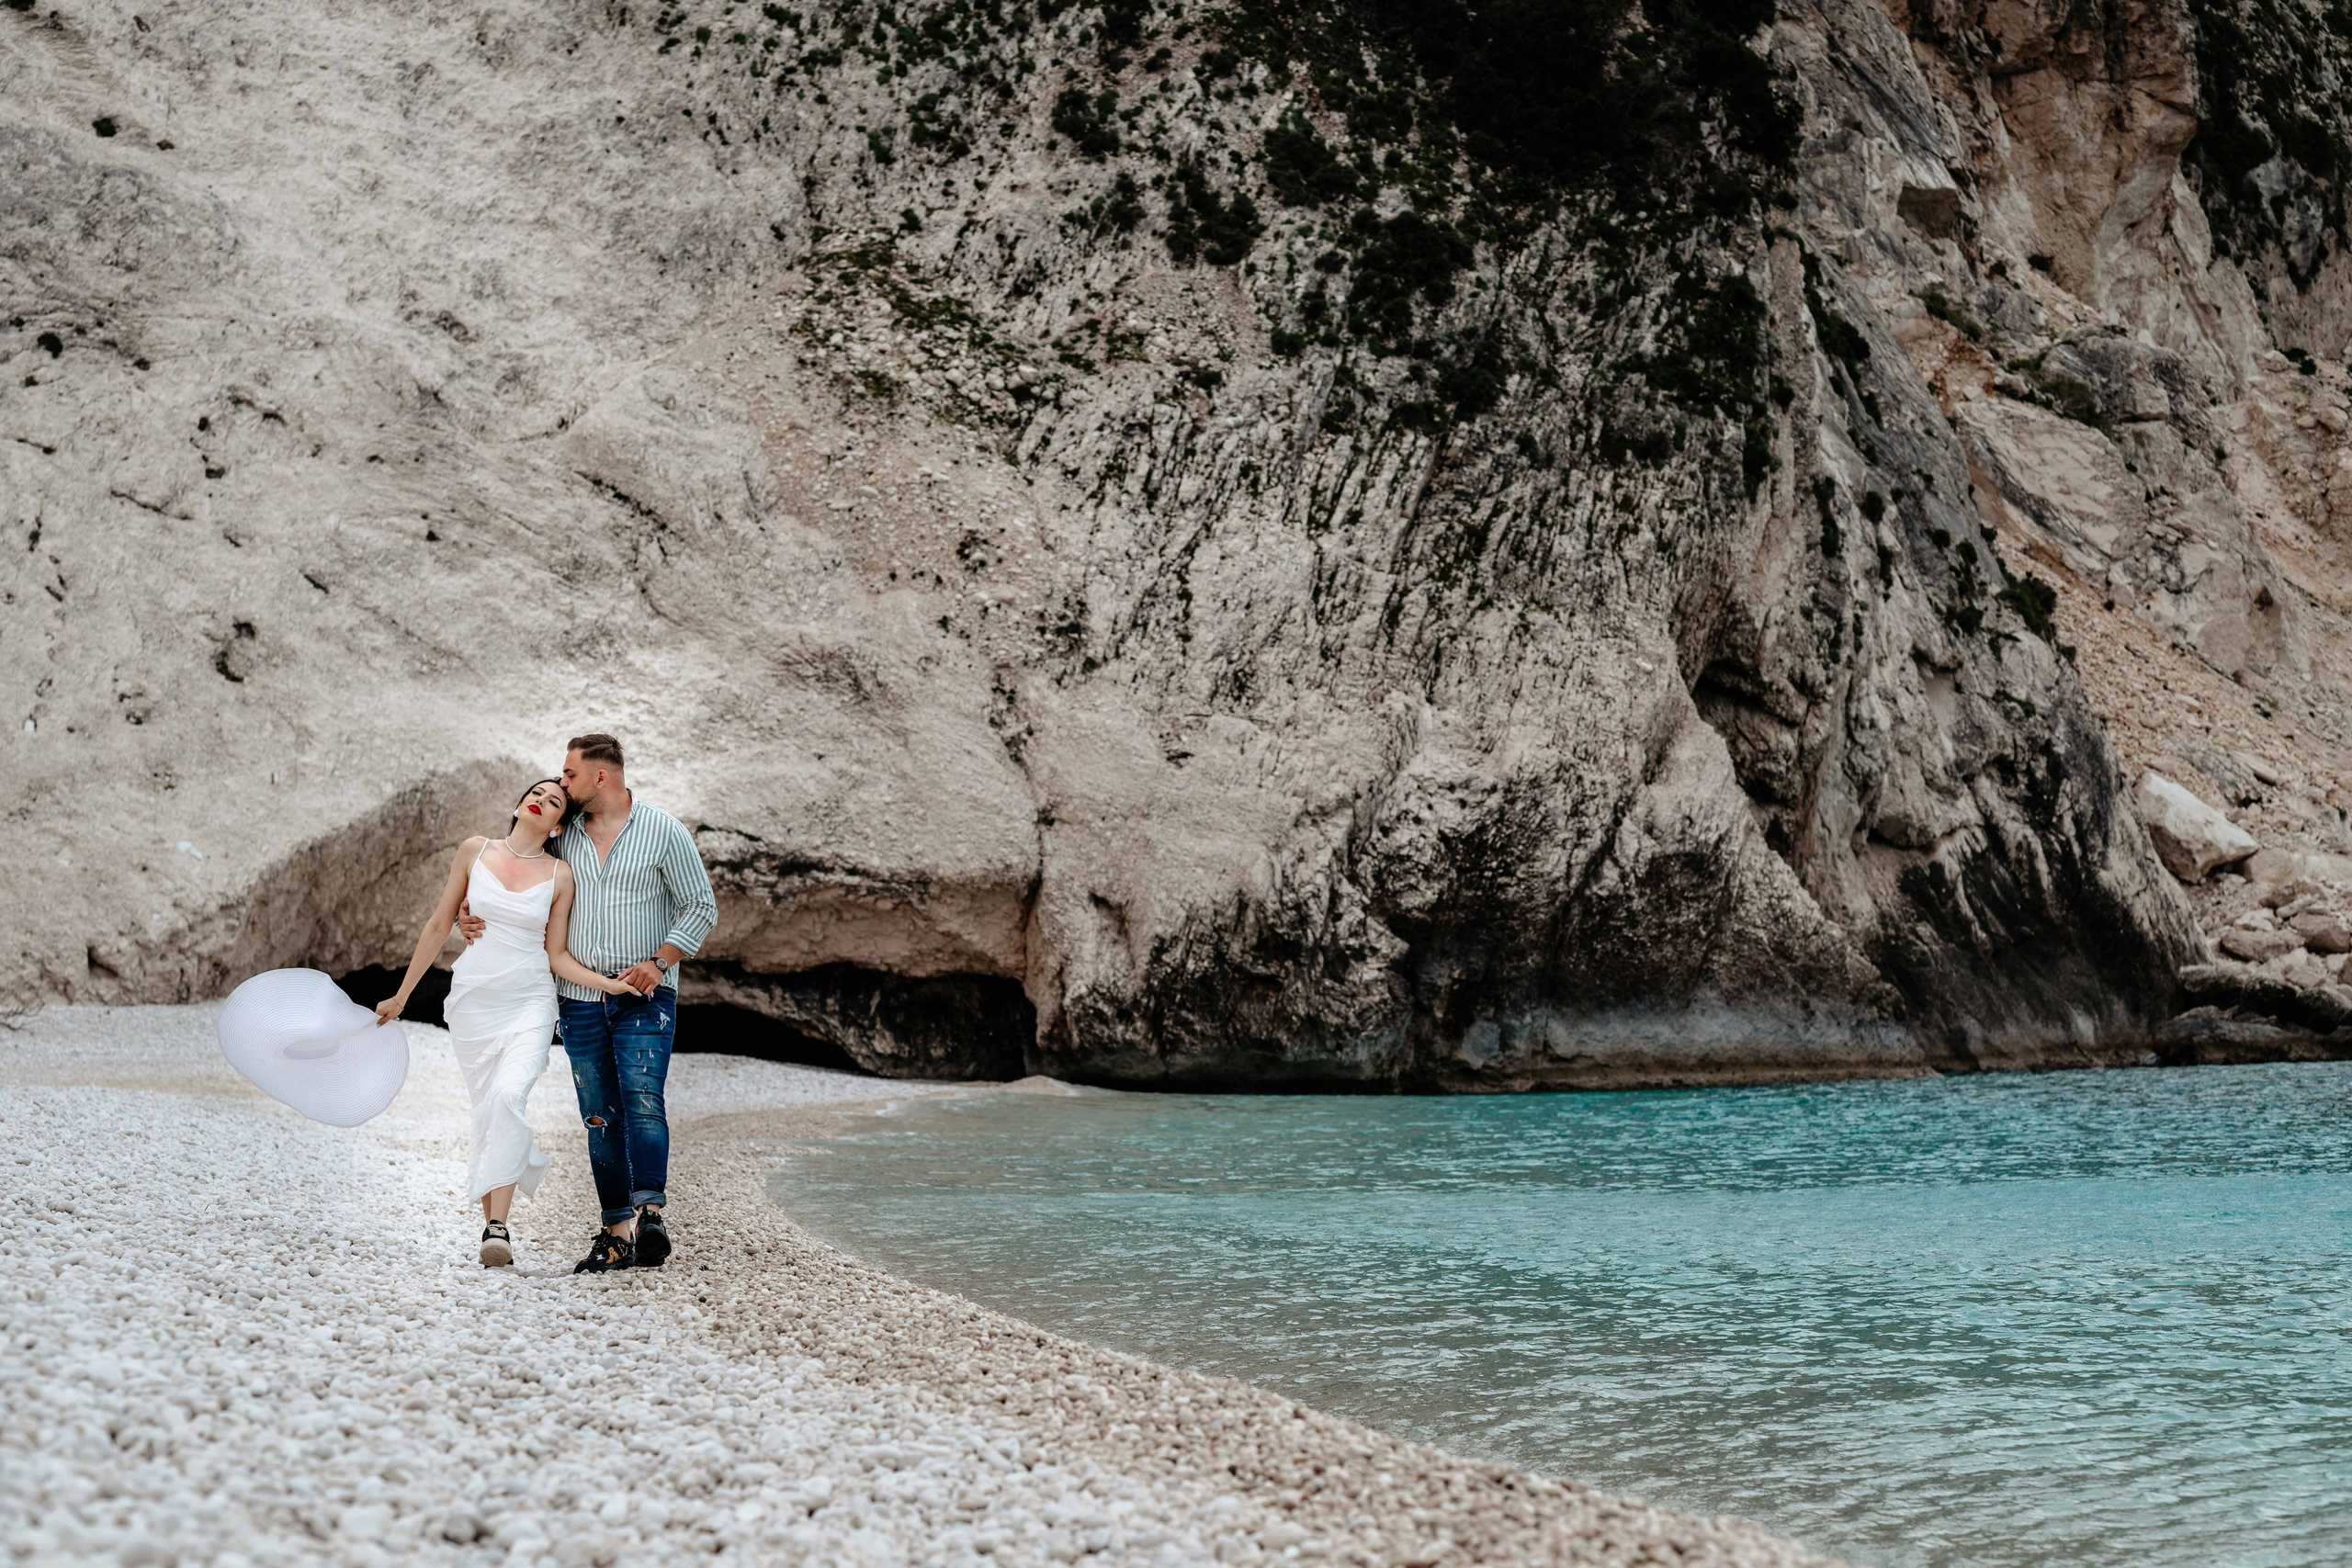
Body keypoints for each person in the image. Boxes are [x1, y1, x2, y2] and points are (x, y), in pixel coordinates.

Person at [458, 733, 717, 1274]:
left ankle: (651, 1216)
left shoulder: (664, 831)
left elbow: (699, 907)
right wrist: (470, 911)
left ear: (602, 777)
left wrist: (660, 961)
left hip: (646, 992)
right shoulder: (563, 836)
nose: (563, 781)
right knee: (599, 1118)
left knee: (643, 1099)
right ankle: (616, 1232)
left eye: (569, 773)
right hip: (578, 999)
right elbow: (518, 873)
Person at [372, 779, 643, 1266]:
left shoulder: (561, 875)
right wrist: (402, 995)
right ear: (519, 805)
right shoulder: (475, 851)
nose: (542, 799)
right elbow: (439, 924)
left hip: (531, 1001)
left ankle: (499, 1222)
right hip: (475, 999)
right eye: (536, 793)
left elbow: (556, 955)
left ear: (557, 824)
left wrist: (610, 984)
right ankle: (494, 1228)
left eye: (555, 801)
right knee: (486, 1107)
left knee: (506, 1095)